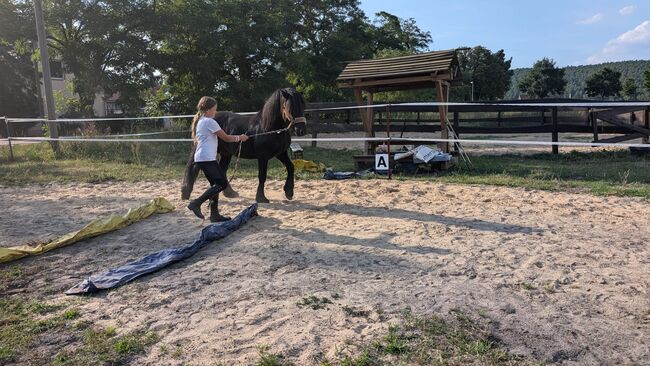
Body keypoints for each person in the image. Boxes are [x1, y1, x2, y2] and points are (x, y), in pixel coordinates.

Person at [187, 96, 249, 221]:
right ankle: (196, 203)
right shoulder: (210, 122)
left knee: (214, 185)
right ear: (208, 110)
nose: (215, 112)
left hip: (203, 157)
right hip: (207, 159)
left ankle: (214, 215)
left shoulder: (202, 120)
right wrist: (240, 138)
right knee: (222, 183)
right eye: (214, 109)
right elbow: (225, 138)